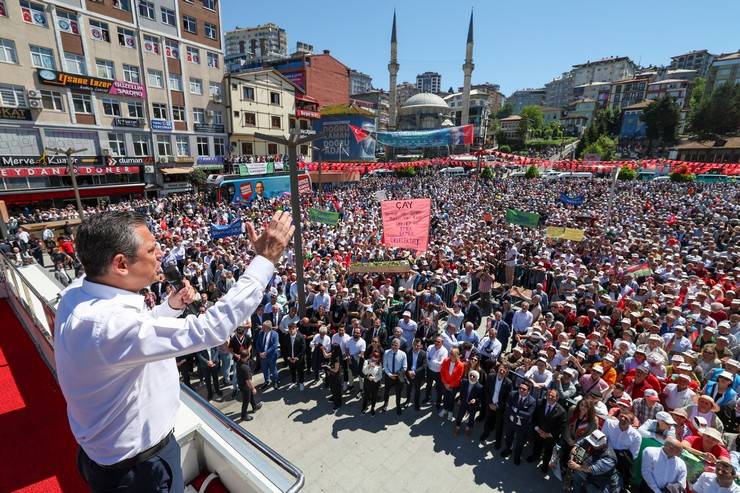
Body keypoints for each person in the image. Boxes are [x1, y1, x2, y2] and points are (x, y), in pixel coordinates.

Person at [55, 210, 293, 492]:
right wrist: (264, 260)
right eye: (152, 248)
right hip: (138, 472)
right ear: (120, 264)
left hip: (112, 460)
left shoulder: (80, 292)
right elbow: (209, 330)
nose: (160, 253)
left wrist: (170, 308)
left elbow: (133, 335)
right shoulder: (109, 325)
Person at [527, 388, 567, 473]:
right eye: (548, 395)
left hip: (550, 436)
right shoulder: (540, 402)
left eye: (552, 396)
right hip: (538, 432)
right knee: (537, 445)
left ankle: (545, 465)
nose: (549, 397)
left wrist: (548, 434)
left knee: (548, 452)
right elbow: (534, 417)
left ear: (557, 398)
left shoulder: (561, 411)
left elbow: (561, 427)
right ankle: (535, 456)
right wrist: (537, 429)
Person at [601, 412, 642, 492]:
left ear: (631, 423)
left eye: (626, 418)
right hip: (606, 455)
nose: (622, 419)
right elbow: (602, 440)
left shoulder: (636, 436)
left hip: (622, 462)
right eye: (622, 416)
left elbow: (633, 456)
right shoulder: (609, 423)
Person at [501, 379, 537, 465]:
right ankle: (507, 450)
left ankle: (517, 456)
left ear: (528, 391)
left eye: (524, 389)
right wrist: (518, 412)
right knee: (508, 438)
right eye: (520, 388)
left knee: (520, 442)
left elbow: (528, 414)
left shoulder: (532, 401)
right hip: (511, 421)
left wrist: (516, 410)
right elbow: (508, 407)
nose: (521, 390)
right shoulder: (512, 394)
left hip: (522, 426)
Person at [480, 363, 512, 447]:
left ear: (506, 373)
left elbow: (507, 398)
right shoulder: (491, 376)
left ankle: (498, 441)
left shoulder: (508, 383)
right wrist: (490, 403)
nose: (501, 372)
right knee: (487, 420)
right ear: (498, 369)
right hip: (490, 404)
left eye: (504, 371)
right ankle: (485, 434)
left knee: (499, 425)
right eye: (500, 370)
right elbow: (486, 390)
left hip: (499, 407)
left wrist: (497, 406)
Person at [454, 370, 484, 436]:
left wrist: (475, 400)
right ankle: (457, 427)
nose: (472, 377)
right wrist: (459, 399)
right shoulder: (464, 382)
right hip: (464, 402)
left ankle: (468, 428)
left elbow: (480, 397)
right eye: (470, 375)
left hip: (473, 405)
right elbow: (461, 392)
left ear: (477, 378)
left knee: (471, 418)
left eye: (474, 376)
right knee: (460, 415)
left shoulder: (480, 387)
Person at [382, 338, 408, 415]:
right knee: (387, 391)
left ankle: (398, 406)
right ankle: (385, 404)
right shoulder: (386, 352)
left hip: (398, 376)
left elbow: (405, 367)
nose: (393, 346)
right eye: (392, 345)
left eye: (396, 345)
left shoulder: (403, 354)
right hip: (389, 376)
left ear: (399, 346)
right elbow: (385, 365)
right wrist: (390, 375)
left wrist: (396, 374)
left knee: (398, 393)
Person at [439, 348, 465, 421]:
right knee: (445, 397)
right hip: (445, 384)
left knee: (451, 399)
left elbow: (458, 378)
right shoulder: (445, 361)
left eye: (452, 354)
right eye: (450, 353)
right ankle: (444, 409)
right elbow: (442, 372)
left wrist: (450, 385)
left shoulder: (461, 365)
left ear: (457, 355)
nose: (450, 355)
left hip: (453, 386)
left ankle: (450, 411)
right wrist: (445, 383)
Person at [236, 348, 261, 421]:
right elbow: (248, 381)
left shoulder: (239, 362)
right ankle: (243, 416)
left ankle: (254, 406)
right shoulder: (245, 368)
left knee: (251, 396)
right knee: (246, 401)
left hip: (241, 383)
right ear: (247, 357)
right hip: (245, 386)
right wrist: (253, 388)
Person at [255, 321, 280, 389]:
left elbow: (274, 345)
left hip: (271, 356)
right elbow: (257, 343)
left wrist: (266, 353)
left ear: (268, 327)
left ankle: (276, 382)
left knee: (273, 369)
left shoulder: (275, 334)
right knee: (264, 369)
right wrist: (260, 352)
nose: (261, 327)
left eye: (263, 326)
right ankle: (267, 381)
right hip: (262, 355)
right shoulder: (261, 333)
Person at [405, 338, 428, 410]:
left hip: (417, 375)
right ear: (412, 344)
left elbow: (424, 365)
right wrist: (409, 371)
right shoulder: (407, 352)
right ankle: (407, 400)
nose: (416, 347)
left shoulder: (423, 353)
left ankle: (416, 403)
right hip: (409, 374)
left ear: (421, 346)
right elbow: (405, 363)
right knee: (408, 389)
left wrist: (414, 372)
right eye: (415, 345)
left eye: (418, 345)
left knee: (417, 390)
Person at [426, 336, 448, 408]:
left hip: (438, 372)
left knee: (439, 388)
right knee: (428, 385)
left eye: (438, 342)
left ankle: (438, 402)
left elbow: (441, 363)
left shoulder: (444, 351)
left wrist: (431, 360)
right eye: (435, 341)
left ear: (442, 343)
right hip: (429, 370)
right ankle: (427, 397)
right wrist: (435, 361)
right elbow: (427, 357)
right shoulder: (430, 347)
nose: (436, 343)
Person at [361, 350, 383, 415]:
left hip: (375, 382)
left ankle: (372, 408)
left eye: (376, 357)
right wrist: (369, 366)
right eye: (373, 356)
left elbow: (380, 375)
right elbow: (364, 372)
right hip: (367, 382)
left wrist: (374, 378)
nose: (374, 358)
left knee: (374, 396)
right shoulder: (367, 361)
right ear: (371, 356)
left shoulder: (379, 364)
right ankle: (364, 407)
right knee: (366, 395)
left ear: (379, 358)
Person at [285, 323, 306, 390]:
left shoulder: (301, 337)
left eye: (293, 329)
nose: (291, 331)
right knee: (292, 371)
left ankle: (301, 383)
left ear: (296, 329)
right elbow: (284, 348)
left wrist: (297, 358)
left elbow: (303, 349)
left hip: (299, 359)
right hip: (290, 359)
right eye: (290, 329)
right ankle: (293, 382)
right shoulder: (286, 337)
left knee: (300, 372)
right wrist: (288, 357)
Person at [326, 344, 343, 411]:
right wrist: (322, 349)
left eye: (333, 348)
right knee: (332, 389)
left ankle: (338, 404)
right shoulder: (333, 354)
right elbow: (326, 355)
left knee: (336, 391)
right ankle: (334, 398)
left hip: (336, 377)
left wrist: (328, 367)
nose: (332, 350)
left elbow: (335, 370)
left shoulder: (337, 358)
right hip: (332, 376)